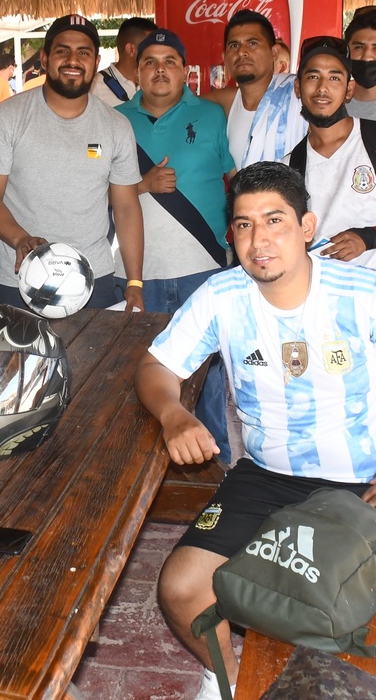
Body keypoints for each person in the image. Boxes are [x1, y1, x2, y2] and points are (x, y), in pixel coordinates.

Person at [137, 161, 376, 700]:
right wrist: (173, 414)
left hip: (372, 480)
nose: (259, 239)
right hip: (268, 476)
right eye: (244, 224)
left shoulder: (361, 292)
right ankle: (226, 677)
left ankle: (351, 682)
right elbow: (155, 368)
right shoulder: (221, 296)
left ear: (306, 227)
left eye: (274, 220)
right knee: (182, 587)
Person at [289, 35, 376, 453]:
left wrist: (370, 238)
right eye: (312, 77)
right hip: (320, 315)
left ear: (349, 89)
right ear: (298, 87)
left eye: (335, 77)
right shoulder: (291, 164)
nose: (322, 87)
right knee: (332, 414)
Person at [0, 14, 145, 312]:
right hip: (17, 279)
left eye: (84, 53)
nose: (73, 60)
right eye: (63, 50)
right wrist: (20, 239)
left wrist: (134, 282)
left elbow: (126, 207)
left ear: (96, 61)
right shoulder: (7, 117)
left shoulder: (116, 126)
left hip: (92, 281)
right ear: (44, 58)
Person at [115, 27, 234, 457]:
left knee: (209, 378)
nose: (160, 70)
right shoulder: (114, 119)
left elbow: (234, 180)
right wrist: (142, 185)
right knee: (139, 373)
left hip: (203, 269)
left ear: (185, 71)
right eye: (150, 62)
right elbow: (94, 193)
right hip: (136, 274)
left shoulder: (212, 115)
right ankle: (139, 470)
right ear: (136, 72)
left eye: (170, 62)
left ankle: (216, 466)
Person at [202, 10, 304, 168]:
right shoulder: (226, 102)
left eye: (252, 43)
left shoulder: (297, 92)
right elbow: (179, 105)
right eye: (234, 45)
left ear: (274, 53)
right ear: (225, 58)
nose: (241, 52)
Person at [91, 16, 157, 107]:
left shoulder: (155, 82)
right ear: (131, 49)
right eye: (151, 47)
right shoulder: (95, 87)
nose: (157, 53)